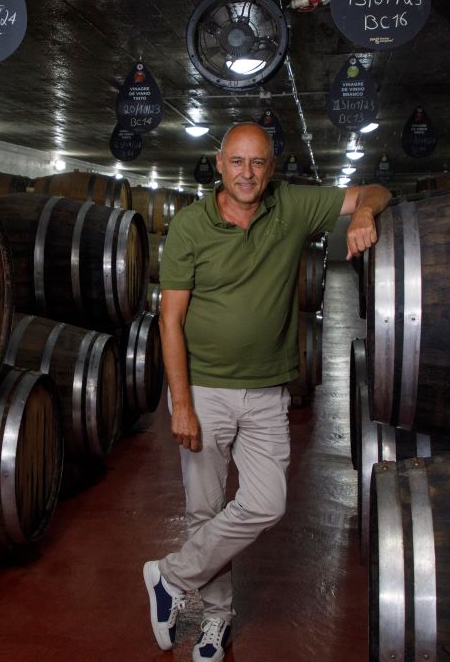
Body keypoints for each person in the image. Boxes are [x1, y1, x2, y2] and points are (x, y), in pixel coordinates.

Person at [142, 122, 390, 661]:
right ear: (219, 163)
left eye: (257, 163)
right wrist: (180, 402)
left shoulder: (293, 206)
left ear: (271, 167)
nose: (247, 173)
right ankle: (217, 621)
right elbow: (171, 321)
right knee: (205, 514)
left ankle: (169, 576)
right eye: (237, 162)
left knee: (265, 502)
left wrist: (365, 213)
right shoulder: (189, 226)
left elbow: (374, 190)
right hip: (204, 391)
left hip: (267, 392)